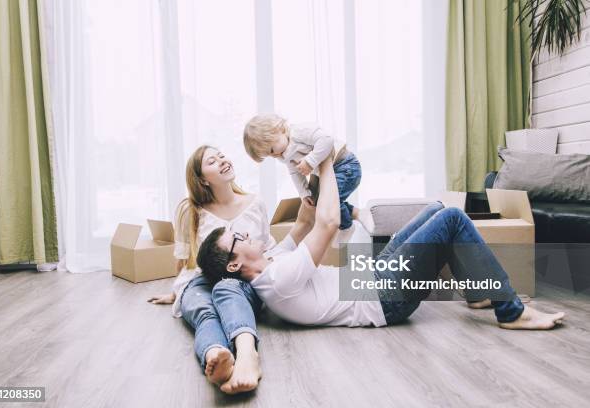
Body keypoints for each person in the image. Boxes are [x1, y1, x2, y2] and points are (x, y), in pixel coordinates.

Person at [196, 157, 565, 330]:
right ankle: (512, 312)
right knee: (452, 219)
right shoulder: (277, 280)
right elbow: (326, 224)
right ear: (233, 264)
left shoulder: (274, 260)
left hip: (372, 277)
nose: (246, 234)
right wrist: (327, 166)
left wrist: (300, 172)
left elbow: (307, 221)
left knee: (436, 209)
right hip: (384, 301)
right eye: (238, 237)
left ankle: (477, 292)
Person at [147, 145, 275, 394]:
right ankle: (216, 356)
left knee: (228, 288)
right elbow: (184, 259)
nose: (222, 161)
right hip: (202, 280)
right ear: (202, 179)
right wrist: (176, 293)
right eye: (212, 161)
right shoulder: (189, 210)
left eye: (222, 156)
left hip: (242, 280)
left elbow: (266, 247)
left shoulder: (255, 202)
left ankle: (248, 355)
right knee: (204, 310)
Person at [243, 113, 374, 236]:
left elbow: (326, 140)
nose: (274, 155)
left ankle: (347, 227)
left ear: (278, 130)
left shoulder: (298, 132)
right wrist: (304, 193)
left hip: (346, 166)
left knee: (329, 202)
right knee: (319, 204)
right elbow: (295, 172)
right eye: (269, 155)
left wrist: (310, 161)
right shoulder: (283, 154)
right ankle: (358, 213)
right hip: (329, 174)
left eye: (271, 150)